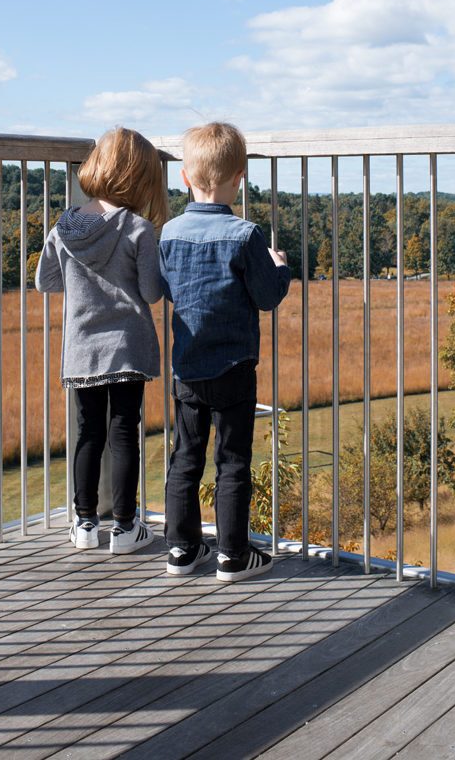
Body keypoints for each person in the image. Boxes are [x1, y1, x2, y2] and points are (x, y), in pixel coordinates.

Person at [159, 122, 291, 582]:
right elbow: (266, 297)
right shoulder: (246, 234)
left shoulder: (169, 233)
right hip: (234, 367)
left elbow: (166, 289)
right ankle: (233, 555)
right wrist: (281, 267)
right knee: (232, 460)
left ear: (185, 180)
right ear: (240, 177)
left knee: (185, 457)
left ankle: (181, 548)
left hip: (188, 368)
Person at [36, 128, 168, 553]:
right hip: (127, 348)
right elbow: (151, 292)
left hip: (82, 349)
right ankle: (127, 528)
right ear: (139, 178)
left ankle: (85, 523)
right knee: (124, 431)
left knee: (88, 433)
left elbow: (45, 281)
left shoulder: (66, 226)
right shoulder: (138, 228)